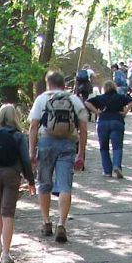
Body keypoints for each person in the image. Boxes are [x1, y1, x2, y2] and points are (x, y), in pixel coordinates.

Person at [28, 70, 88, 243]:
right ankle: (61, 224)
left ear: (48, 83)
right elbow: (83, 128)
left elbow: (33, 126)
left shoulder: (42, 99)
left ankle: (46, 222)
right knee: (64, 185)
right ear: (64, 84)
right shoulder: (74, 99)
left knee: (44, 184)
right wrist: (81, 153)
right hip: (68, 144)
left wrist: (32, 152)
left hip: (46, 142)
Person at [0, 104, 36, 263]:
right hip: (11, 175)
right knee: (8, 213)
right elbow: (25, 159)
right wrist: (30, 180)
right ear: (14, 117)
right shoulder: (19, 136)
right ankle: (5, 254)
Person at [85, 81, 132, 179]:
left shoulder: (100, 98)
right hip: (117, 121)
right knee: (117, 147)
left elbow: (87, 102)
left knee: (104, 147)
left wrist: (96, 112)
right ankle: (116, 166)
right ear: (114, 87)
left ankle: (107, 171)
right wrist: (125, 111)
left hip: (103, 122)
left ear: (105, 88)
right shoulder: (120, 97)